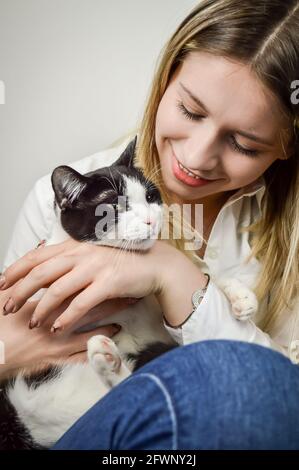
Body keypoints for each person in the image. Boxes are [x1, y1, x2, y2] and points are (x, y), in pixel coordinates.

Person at [1, 0, 299, 449]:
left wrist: (174, 275)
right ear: (165, 82)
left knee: (245, 382)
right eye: (191, 111)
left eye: (243, 144)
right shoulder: (59, 201)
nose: (196, 159)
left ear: (286, 147)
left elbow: (281, 399)